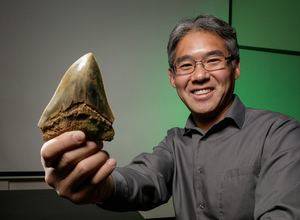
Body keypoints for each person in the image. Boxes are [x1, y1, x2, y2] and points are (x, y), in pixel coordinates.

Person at [41, 14, 300, 219]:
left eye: (213, 60)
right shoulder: (174, 144)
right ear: (172, 78)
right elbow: (141, 178)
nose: (199, 76)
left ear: (235, 67)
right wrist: (100, 186)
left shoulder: (280, 135)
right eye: (186, 65)